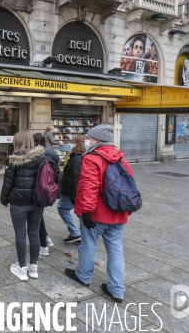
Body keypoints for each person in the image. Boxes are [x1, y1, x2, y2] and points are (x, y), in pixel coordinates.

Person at [65, 124, 133, 303]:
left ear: (97, 140)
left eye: (90, 137)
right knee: (116, 250)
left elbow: (89, 186)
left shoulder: (92, 158)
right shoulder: (120, 158)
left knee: (88, 245)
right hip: (117, 214)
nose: (89, 140)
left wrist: (86, 212)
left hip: (96, 214)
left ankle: (83, 276)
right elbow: (128, 186)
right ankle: (117, 289)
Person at [0, 131, 45, 280]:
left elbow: (7, 183)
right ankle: (34, 268)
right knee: (34, 233)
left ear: (17, 142)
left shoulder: (14, 160)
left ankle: (21, 268)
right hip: (37, 202)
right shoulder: (41, 158)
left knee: (20, 234)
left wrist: (4, 200)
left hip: (18, 203)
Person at [33, 133, 60, 256]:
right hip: (50, 188)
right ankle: (46, 239)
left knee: (37, 217)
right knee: (39, 216)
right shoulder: (50, 151)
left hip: (40, 189)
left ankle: (43, 244)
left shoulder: (36, 154)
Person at [58, 134, 84, 244]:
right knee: (79, 213)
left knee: (62, 208)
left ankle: (76, 233)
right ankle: (82, 234)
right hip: (70, 190)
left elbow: (75, 177)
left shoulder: (77, 158)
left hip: (70, 191)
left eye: (72, 142)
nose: (71, 144)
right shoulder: (76, 156)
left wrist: (73, 195)